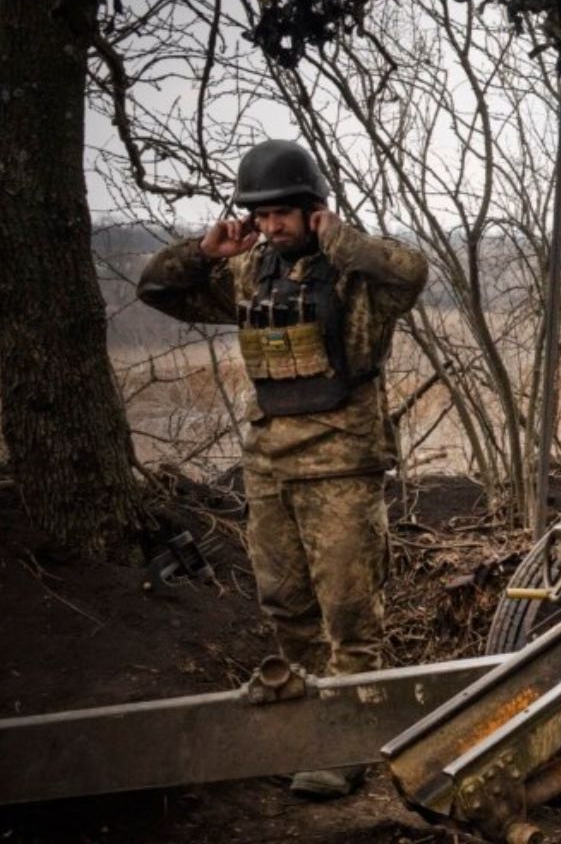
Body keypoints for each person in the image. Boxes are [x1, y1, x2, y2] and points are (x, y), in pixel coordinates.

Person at [138, 139, 427, 799]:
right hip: (269, 464)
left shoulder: (354, 277)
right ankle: (310, 730)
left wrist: (341, 240)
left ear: (312, 209)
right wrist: (206, 252)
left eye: (281, 215)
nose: (269, 226)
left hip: (342, 465)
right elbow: (155, 288)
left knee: (351, 613)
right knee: (287, 606)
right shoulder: (250, 273)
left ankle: (351, 742)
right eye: (260, 216)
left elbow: (410, 272)